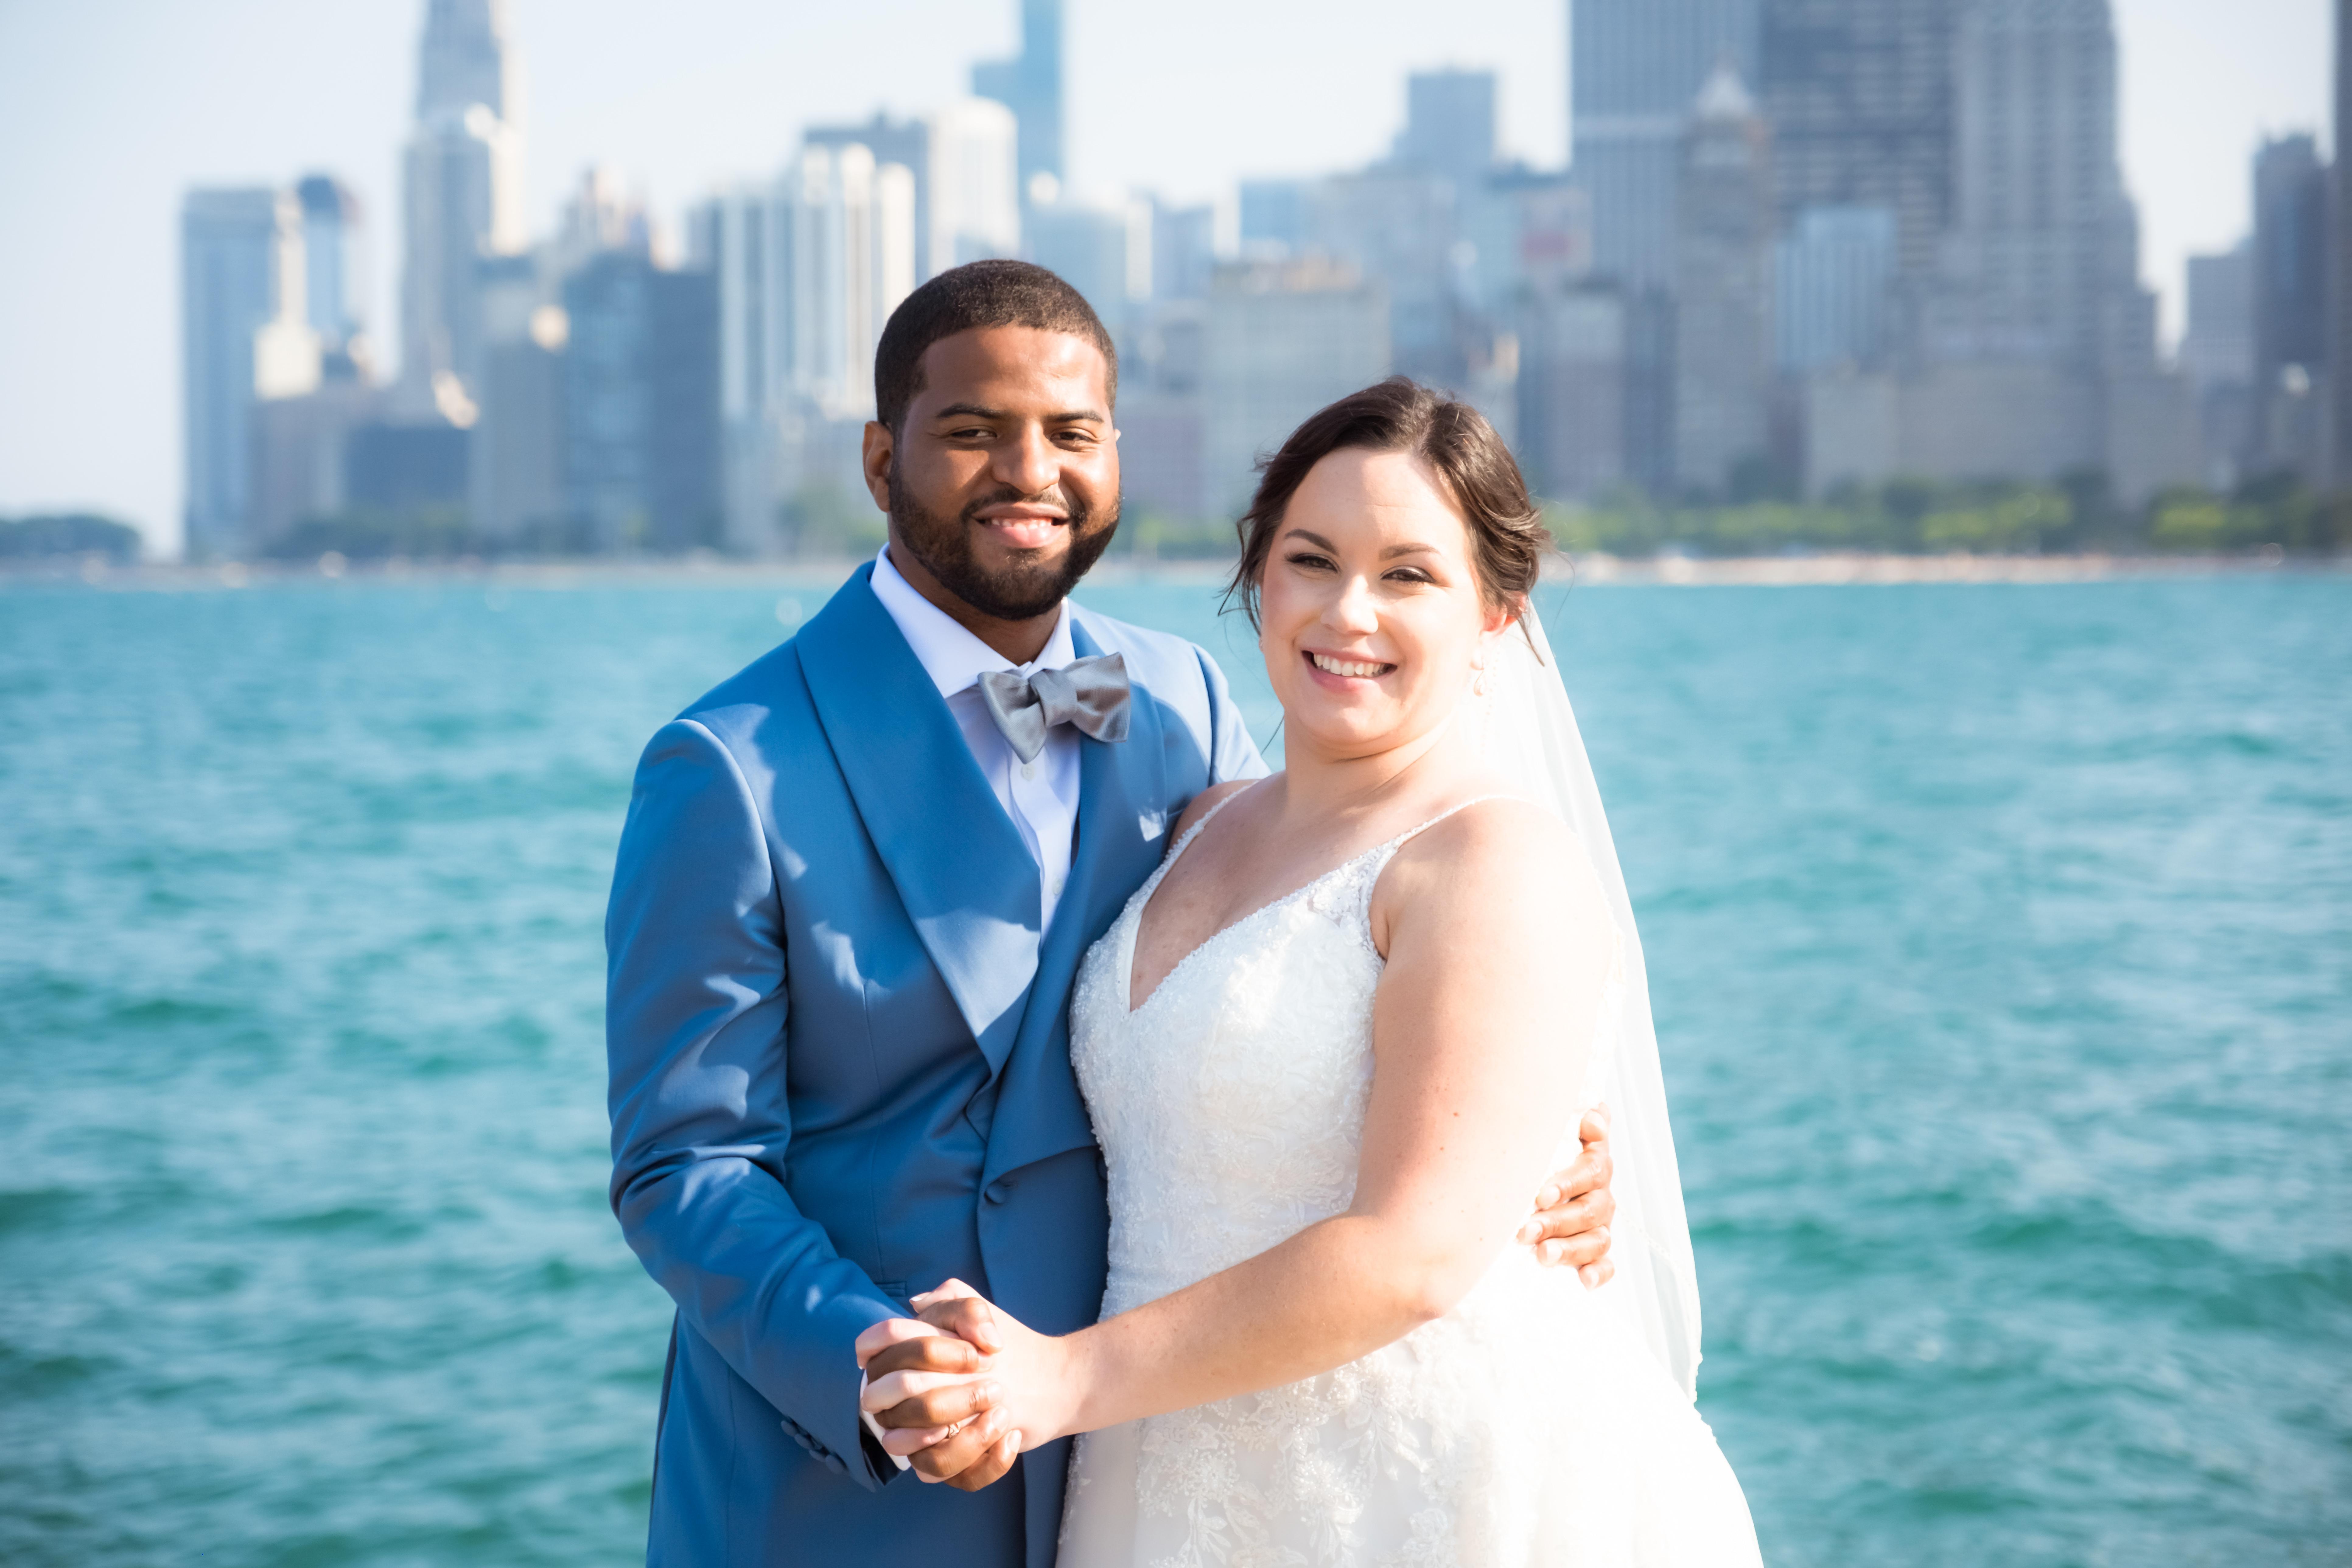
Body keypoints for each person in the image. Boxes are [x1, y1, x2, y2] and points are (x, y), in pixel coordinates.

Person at [604, 264, 1620, 1568]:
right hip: (858, 1476)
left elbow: (1307, 967)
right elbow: (687, 1166)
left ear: (1117, 455)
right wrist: (872, 1363)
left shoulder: (1183, 697)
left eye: (1072, 433)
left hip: (1150, 1438)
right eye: (974, 430)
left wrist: (1529, 1146)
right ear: (880, 459)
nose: (1029, 473)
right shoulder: (728, 766)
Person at [858, 379, 1760, 1565]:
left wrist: (1060, 1380)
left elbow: (1417, 1250)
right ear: (1259, 575)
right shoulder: (1197, 821)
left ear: (1497, 614)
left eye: (1409, 575)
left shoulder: (1496, 862)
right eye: (1312, 560)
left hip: (1417, 1483)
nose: (1349, 612)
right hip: (1157, 1461)